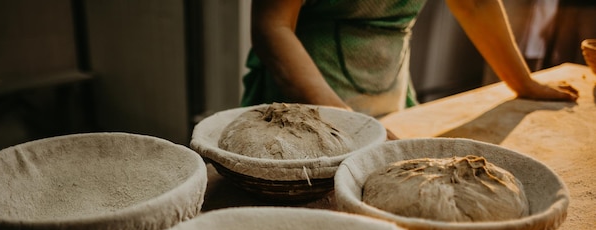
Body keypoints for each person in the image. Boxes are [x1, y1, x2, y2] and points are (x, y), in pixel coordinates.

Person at [240, 0, 578, 136]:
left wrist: (523, 83)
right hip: (305, 98)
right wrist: (352, 125)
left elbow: (474, 4)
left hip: (391, 93)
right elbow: (273, 27)